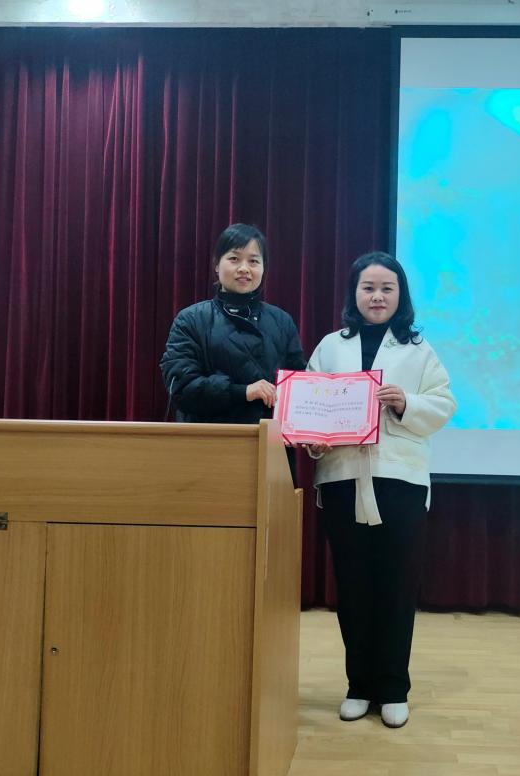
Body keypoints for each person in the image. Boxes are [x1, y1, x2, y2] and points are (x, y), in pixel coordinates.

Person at [305, 251, 456, 729]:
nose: (377, 296)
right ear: (354, 293)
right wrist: (314, 438)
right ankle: (358, 685)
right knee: (352, 588)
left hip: (400, 482)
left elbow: (443, 403)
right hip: (342, 479)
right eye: (368, 287)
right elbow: (309, 406)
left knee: (396, 586)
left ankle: (393, 687)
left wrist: (406, 402)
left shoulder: (419, 350)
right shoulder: (330, 347)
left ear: (400, 295)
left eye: (387, 288)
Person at [160, 223, 306, 430]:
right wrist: (243, 392)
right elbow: (182, 388)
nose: (244, 268)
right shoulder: (190, 319)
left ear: (263, 268)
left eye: (253, 261)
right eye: (234, 259)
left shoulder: (282, 321)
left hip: (270, 442)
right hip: (210, 439)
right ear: (217, 265)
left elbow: (298, 386)